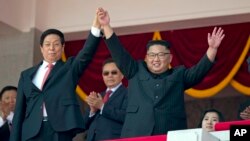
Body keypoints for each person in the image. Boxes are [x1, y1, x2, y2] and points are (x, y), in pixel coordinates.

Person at [95, 7, 225, 137]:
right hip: (137, 133)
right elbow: (119, 53)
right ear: (146, 58)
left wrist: (212, 49)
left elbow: (199, 71)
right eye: (152, 55)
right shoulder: (135, 70)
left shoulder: (178, 75)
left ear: (170, 58)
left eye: (161, 55)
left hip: (169, 134)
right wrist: (106, 26)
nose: (156, 59)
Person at [10, 11, 102, 141]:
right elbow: (19, 112)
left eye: (56, 44)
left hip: (59, 130)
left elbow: (86, 54)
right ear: (41, 48)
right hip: (31, 132)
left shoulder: (69, 68)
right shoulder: (26, 75)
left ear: (63, 47)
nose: (51, 48)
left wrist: (96, 28)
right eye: (47, 44)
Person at [83, 58, 128, 141]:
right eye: (106, 73)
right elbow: (83, 125)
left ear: (122, 74)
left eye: (114, 72)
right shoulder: (98, 95)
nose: (110, 75)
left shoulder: (129, 94)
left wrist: (102, 106)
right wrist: (92, 111)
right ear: (102, 76)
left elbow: (127, 117)